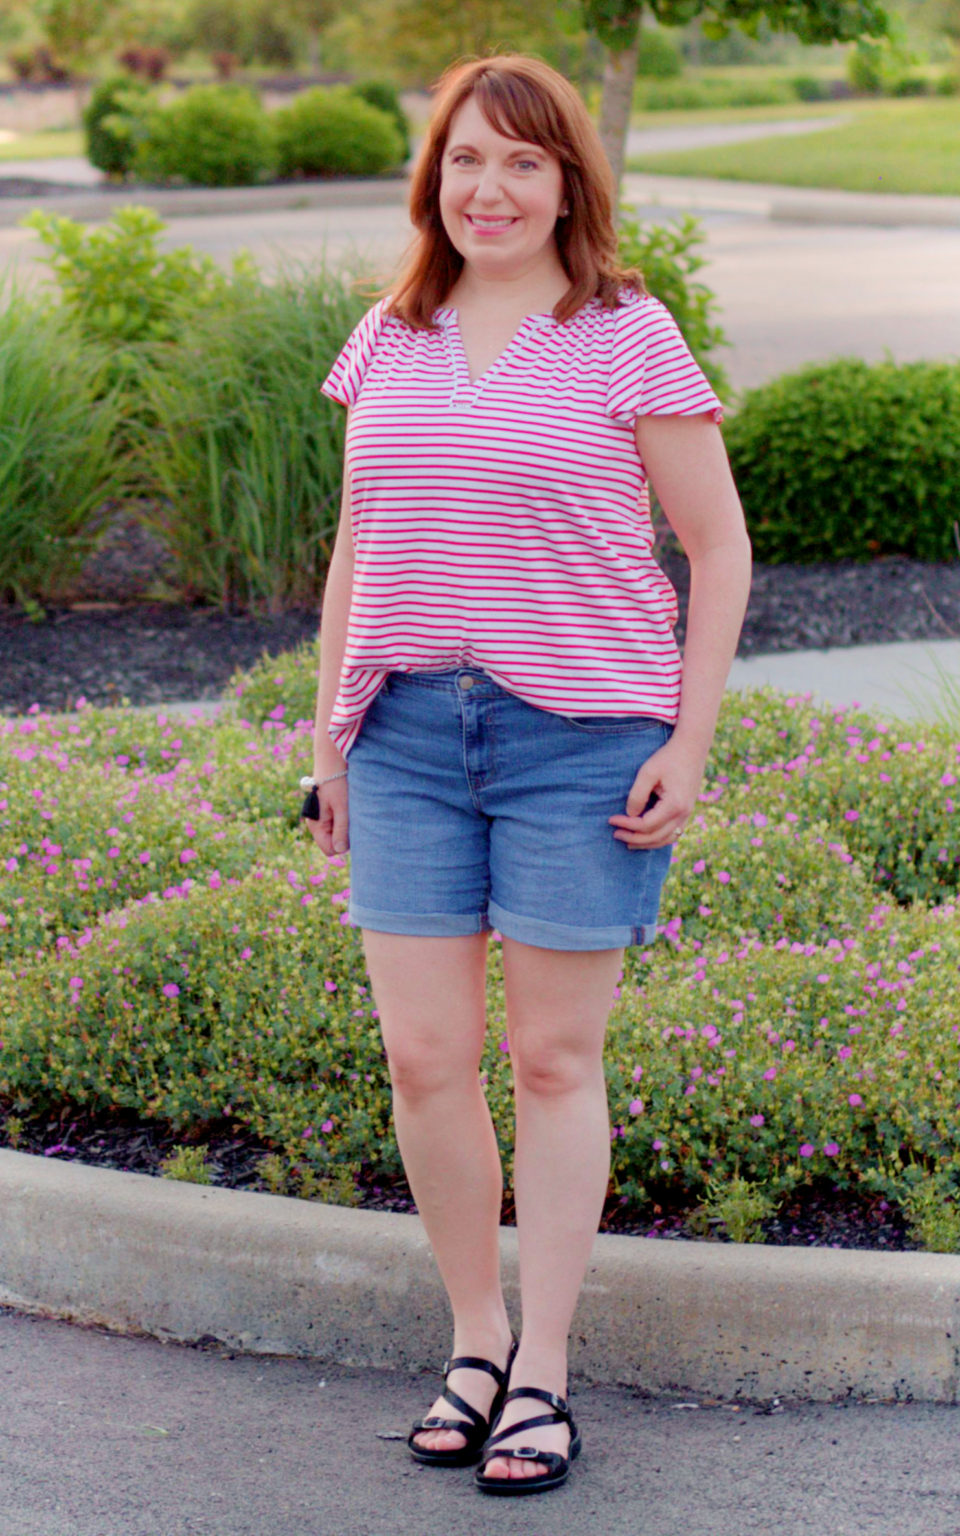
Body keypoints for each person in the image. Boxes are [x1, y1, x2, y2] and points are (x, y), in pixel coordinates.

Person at [304, 53, 752, 1498]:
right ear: (433, 180)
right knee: (425, 1061)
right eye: (464, 162)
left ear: (568, 183)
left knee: (555, 1060)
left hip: (584, 745)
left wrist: (689, 739)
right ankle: (476, 1339)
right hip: (411, 739)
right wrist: (334, 740)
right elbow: (358, 548)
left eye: (522, 163)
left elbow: (718, 547)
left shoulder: (628, 333)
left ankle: (546, 1368)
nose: (488, 190)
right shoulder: (392, 331)